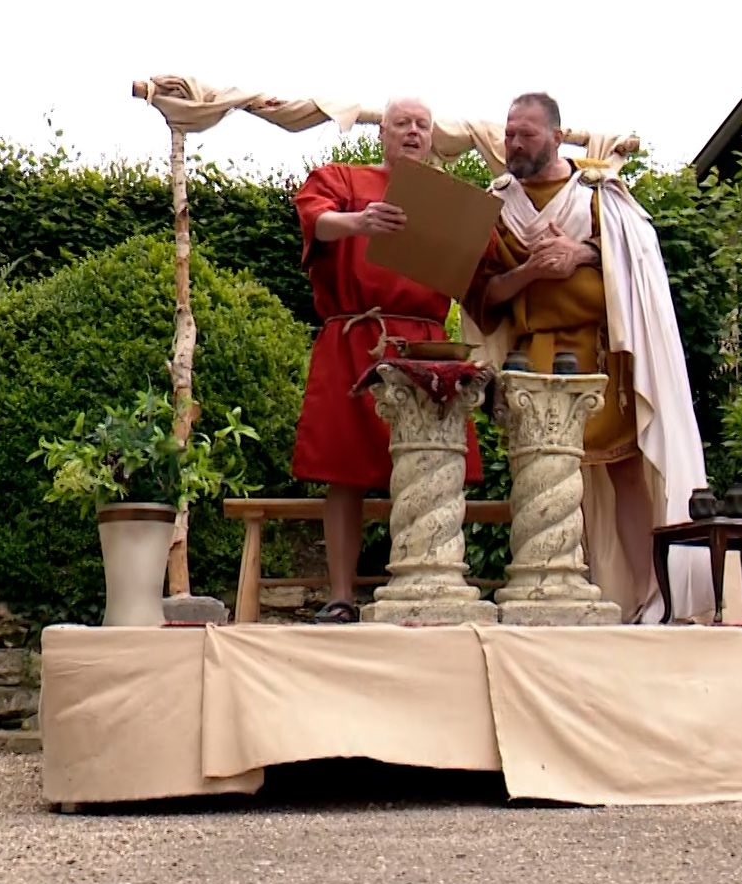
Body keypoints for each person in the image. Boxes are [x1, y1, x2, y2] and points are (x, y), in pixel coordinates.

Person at [464, 92, 710, 622]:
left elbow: (636, 258)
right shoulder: (496, 206)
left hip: (599, 356)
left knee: (625, 474)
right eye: (509, 134)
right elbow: (483, 295)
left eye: (526, 134)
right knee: (543, 480)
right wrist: (532, 271)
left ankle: (649, 596)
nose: (514, 143)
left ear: (556, 136)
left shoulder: (599, 193)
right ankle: (552, 591)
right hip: (533, 359)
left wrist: (582, 252)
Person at [292, 97, 483, 624]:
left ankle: (429, 585)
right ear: (383, 133)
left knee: (432, 464)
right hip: (355, 336)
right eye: (402, 124)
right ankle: (341, 596)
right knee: (343, 472)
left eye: (423, 125)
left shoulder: (446, 198)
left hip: (424, 344)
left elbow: (475, 268)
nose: (413, 132)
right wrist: (360, 222)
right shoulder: (343, 177)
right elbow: (316, 220)